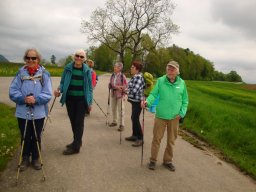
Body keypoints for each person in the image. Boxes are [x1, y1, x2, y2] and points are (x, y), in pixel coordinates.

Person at [9, 48, 52, 171]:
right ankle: (25, 157)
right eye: (28, 58)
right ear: (25, 59)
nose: (30, 60)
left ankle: (36, 158)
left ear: (38, 59)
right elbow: (13, 91)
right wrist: (24, 99)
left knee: (36, 135)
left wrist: (36, 99)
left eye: (33, 58)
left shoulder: (44, 74)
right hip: (22, 112)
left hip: (38, 113)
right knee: (25, 135)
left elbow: (48, 93)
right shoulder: (20, 73)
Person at [141, 60, 189, 171]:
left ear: (178, 71)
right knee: (156, 139)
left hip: (175, 117)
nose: (170, 71)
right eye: (168, 68)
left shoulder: (182, 83)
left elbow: (185, 101)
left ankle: (167, 161)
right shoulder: (161, 81)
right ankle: (153, 160)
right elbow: (153, 94)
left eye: (173, 69)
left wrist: (182, 113)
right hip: (161, 116)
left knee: (171, 140)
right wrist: (147, 102)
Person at [54, 49, 93, 155]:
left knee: (79, 123)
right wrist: (59, 90)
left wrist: (89, 102)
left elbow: (90, 88)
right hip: (70, 99)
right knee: (73, 122)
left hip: (81, 100)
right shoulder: (68, 68)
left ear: (84, 59)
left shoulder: (87, 70)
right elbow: (62, 83)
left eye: (81, 57)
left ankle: (76, 147)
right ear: (74, 56)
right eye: (77, 56)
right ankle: (77, 141)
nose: (79, 58)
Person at [125, 61, 145, 147]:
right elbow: (129, 87)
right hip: (134, 101)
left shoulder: (138, 77)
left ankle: (140, 138)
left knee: (135, 118)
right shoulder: (135, 77)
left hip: (138, 102)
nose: (131, 68)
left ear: (137, 69)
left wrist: (124, 91)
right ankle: (134, 135)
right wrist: (125, 89)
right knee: (133, 118)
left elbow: (134, 90)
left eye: (132, 67)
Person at [108, 62, 127, 131]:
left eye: (115, 67)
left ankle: (122, 124)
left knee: (121, 110)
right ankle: (114, 121)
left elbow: (125, 86)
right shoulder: (112, 75)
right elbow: (111, 84)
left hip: (120, 95)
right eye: (114, 66)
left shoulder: (122, 76)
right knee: (113, 108)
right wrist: (110, 85)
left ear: (119, 68)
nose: (114, 68)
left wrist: (120, 88)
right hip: (113, 94)